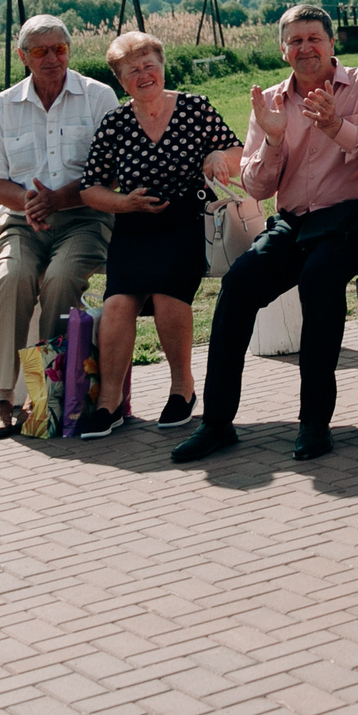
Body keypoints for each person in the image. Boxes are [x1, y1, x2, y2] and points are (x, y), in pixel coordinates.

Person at [171, 4, 358, 465]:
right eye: (295, 41)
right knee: (237, 286)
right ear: (283, 50)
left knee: (320, 279)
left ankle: (314, 422)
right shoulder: (271, 101)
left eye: (314, 38)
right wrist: (273, 141)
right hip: (294, 221)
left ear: (332, 44)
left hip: (352, 217)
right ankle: (217, 423)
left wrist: (336, 126)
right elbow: (256, 187)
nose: (305, 47)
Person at [76, 32, 244, 430]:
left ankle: (181, 388)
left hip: (186, 219)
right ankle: (110, 402)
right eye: (133, 70)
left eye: (150, 65)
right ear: (121, 80)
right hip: (133, 226)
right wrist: (124, 203)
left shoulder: (194, 107)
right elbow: (90, 188)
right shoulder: (116, 122)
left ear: (163, 65)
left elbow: (239, 154)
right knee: (118, 304)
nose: (144, 74)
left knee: (169, 296)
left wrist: (218, 156)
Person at [0, 16, 120, 440]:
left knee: (60, 279)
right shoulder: (0, 107)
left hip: (85, 217)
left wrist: (61, 199)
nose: (52, 58)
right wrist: (30, 203)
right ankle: (0, 399)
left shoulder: (98, 96)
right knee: (10, 278)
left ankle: (44, 390)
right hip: (22, 221)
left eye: (60, 49)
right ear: (22, 57)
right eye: (40, 51)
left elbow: (109, 171)